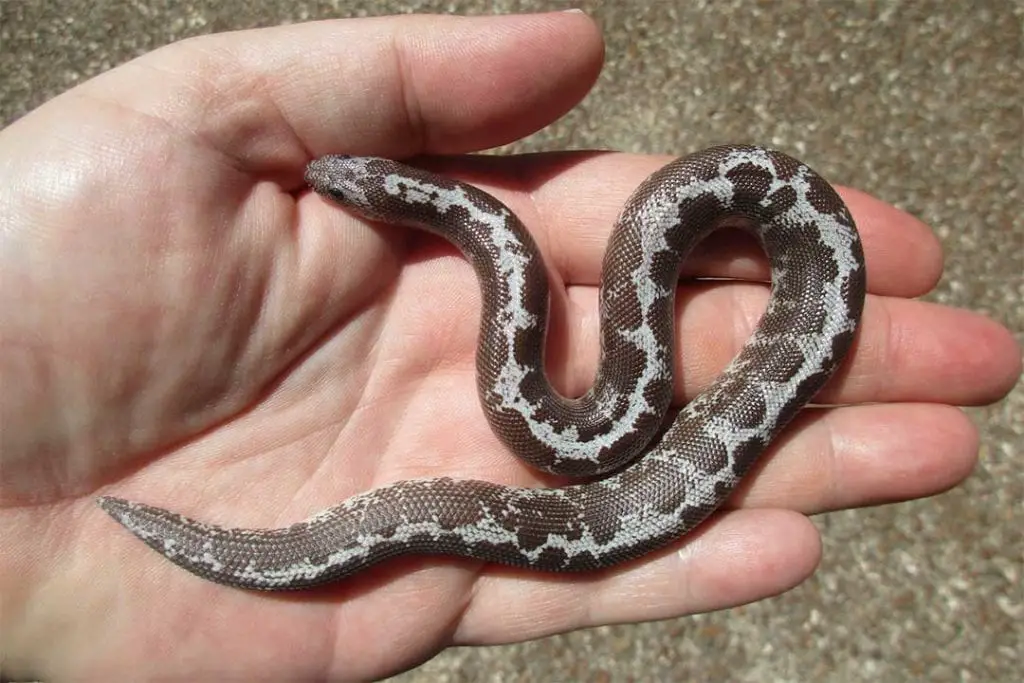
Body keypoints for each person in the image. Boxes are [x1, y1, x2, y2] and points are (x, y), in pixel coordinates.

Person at [0, 11, 1018, 682]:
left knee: (596, 432)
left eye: (353, 186)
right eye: (355, 185)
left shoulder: (523, 280)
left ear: (399, 200)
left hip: (691, 343)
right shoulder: (493, 260)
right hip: (584, 418)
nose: (335, 184)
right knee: (583, 433)